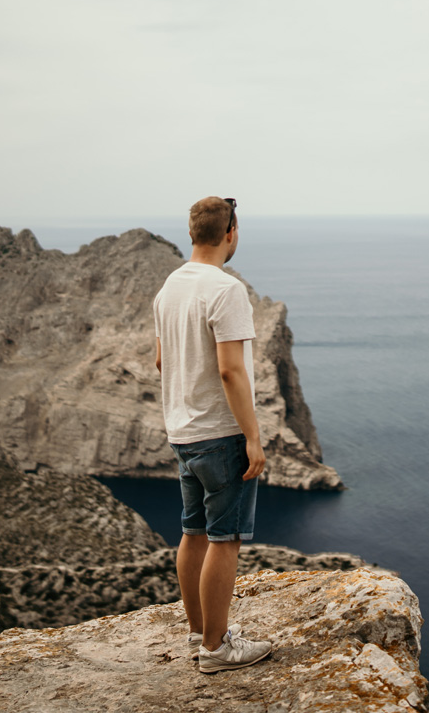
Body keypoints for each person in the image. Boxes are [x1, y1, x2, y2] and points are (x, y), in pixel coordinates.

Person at [153, 196, 273, 673]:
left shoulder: (170, 287)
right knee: (226, 540)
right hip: (221, 435)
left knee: (192, 531)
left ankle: (200, 631)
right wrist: (253, 437)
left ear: (191, 233)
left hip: (182, 432)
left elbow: (162, 361)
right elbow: (231, 371)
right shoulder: (227, 290)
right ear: (231, 233)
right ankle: (217, 650)